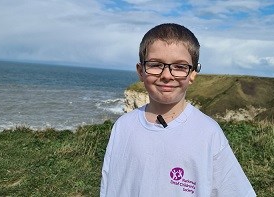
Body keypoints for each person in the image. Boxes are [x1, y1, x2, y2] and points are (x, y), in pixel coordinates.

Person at [100, 23, 256, 196]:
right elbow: (109, 185)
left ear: (192, 74)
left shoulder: (208, 134)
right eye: (155, 64)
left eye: (180, 67)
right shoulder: (122, 127)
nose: (166, 75)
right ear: (140, 71)